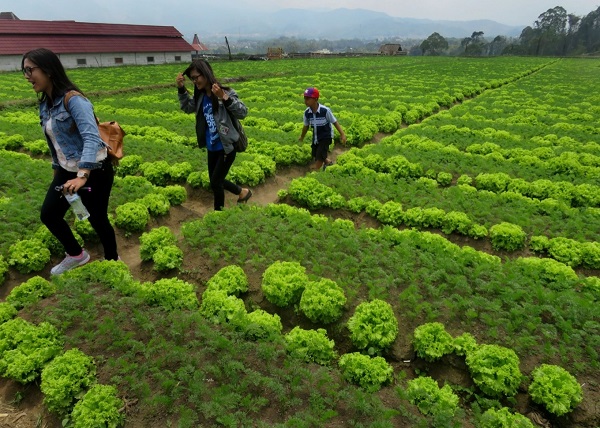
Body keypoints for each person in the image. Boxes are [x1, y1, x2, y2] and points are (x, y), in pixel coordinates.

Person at [22, 48, 119, 275]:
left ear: (48, 69)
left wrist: (83, 175)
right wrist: (58, 170)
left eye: (30, 70)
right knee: (49, 214)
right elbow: (56, 143)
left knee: (97, 217)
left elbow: (91, 137)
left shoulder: (74, 100)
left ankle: (113, 261)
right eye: (24, 71)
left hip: (94, 171)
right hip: (68, 172)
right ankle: (77, 254)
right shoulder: (46, 104)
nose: (27, 76)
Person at [176, 59, 252, 210]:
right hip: (212, 147)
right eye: (192, 79)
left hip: (226, 147)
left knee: (216, 182)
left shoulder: (225, 92)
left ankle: (219, 215)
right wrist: (181, 89)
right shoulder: (201, 97)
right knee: (215, 180)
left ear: (206, 74)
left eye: (196, 77)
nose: (195, 81)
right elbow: (187, 107)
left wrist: (224, 97)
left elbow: (243, 112)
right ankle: (242, 192)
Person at [298, 87, 347, 171]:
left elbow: (334, 122)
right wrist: (302, 137)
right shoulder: (307, 113)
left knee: (320, 155)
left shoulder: (325, 111)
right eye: (304, 98)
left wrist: (342, 134)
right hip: (316, 136)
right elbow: (306, 126)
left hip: (326, 136)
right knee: (315, 153)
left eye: (308, 98)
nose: (305, 101)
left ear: (316, 99)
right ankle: (328, 162)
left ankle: (316, 171)